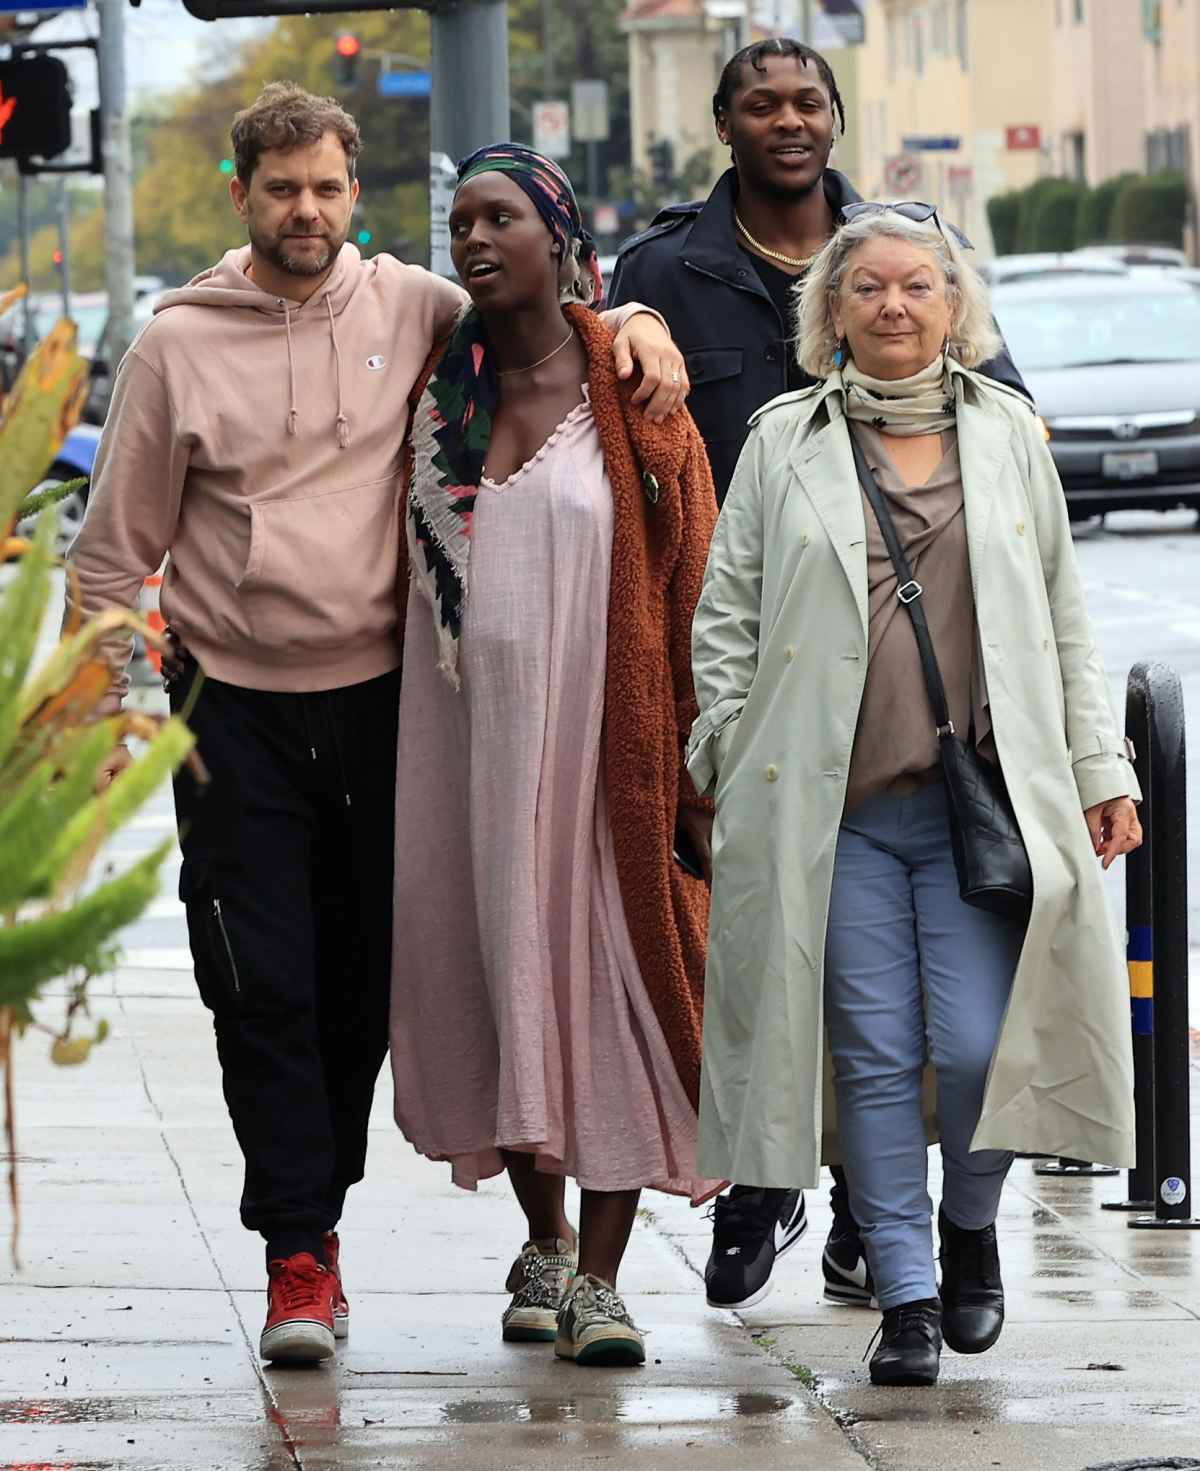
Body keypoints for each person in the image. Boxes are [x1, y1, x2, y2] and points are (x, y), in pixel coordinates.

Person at [65, 83, 689, 1368]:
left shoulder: (414, 307)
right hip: (228, 711)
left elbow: (542, 311)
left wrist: (639, 317)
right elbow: (107, 563)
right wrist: (127, 717)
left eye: (328, 188)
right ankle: (299, 1252)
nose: (306, 210)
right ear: (241, 196)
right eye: (281, 188)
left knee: (361, 991)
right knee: (260, 987)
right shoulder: (173, 346)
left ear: (357, 196)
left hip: (387, 712)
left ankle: (327, 1214)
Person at [687, 202, 1142, 1387]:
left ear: (955, 307)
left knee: (989, 1044)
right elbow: (724, 622)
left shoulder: (1010, 438)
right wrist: (729, 749)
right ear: (830, 312)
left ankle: (971, 1225)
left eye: (918, 286)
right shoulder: (784, 441)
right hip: (828, 815)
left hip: (976, 808)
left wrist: (1101, 767)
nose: (894, 305)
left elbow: (1063, 622)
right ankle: (907, 1295)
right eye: (868, 288)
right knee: (878, 1056)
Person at [611, 34, 1029, 1317]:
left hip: (911, 688)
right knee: (780, 964)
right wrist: (620, 314)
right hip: (750, 658)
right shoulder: (665, 269)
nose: (788, 121)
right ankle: (764, 1187)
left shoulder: (900, 253)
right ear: (724, 124)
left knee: (917, 1014)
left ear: (836, 118)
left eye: (808, 101)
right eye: (761, 104)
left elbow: (1000, 409)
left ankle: (876, 1225)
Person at [388, 144, 720, 1368]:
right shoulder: (433, 393)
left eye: (502, 219)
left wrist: (698, 763)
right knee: (500, 984)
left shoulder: (633, 393)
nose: (476, 240)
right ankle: (541, 1238)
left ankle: (602, 1275)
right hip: (468, 764)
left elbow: (698, 584)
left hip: (604, 763)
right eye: (460, 221)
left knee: (613, 994)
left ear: (561, 238)